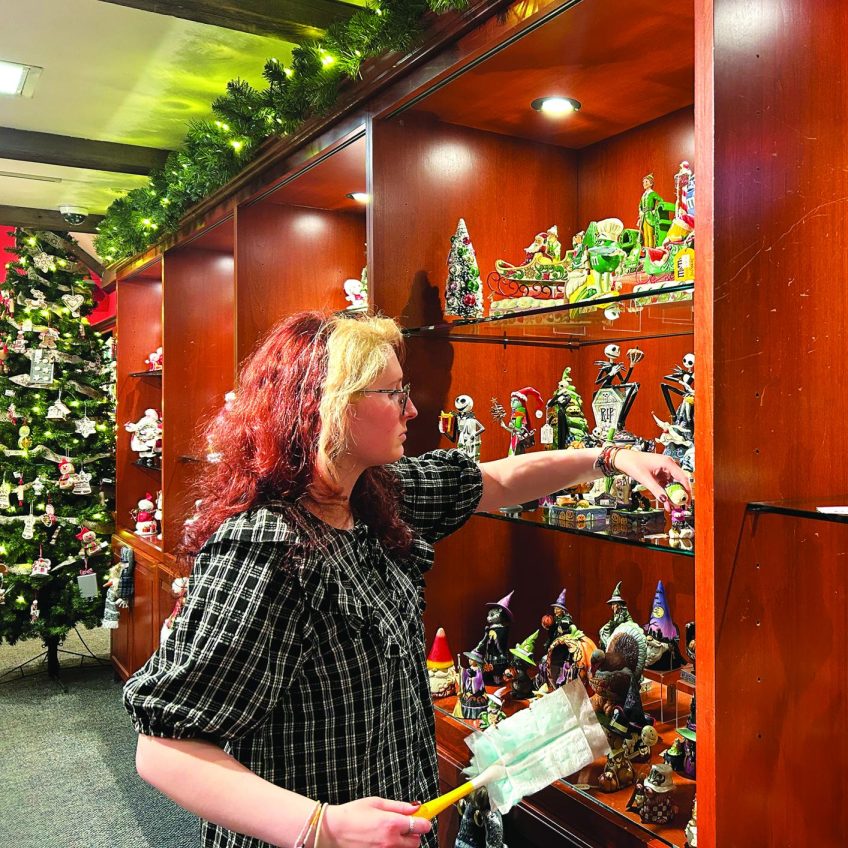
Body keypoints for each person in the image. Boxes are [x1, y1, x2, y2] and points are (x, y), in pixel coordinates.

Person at [123, 311, 689, 848]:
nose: (412, 410)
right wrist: (323, 826)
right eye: (393, 393)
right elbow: (165, 747)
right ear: (328, 406)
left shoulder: (374, 497)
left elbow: (493, 480)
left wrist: (611, 458)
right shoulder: (268, 549)